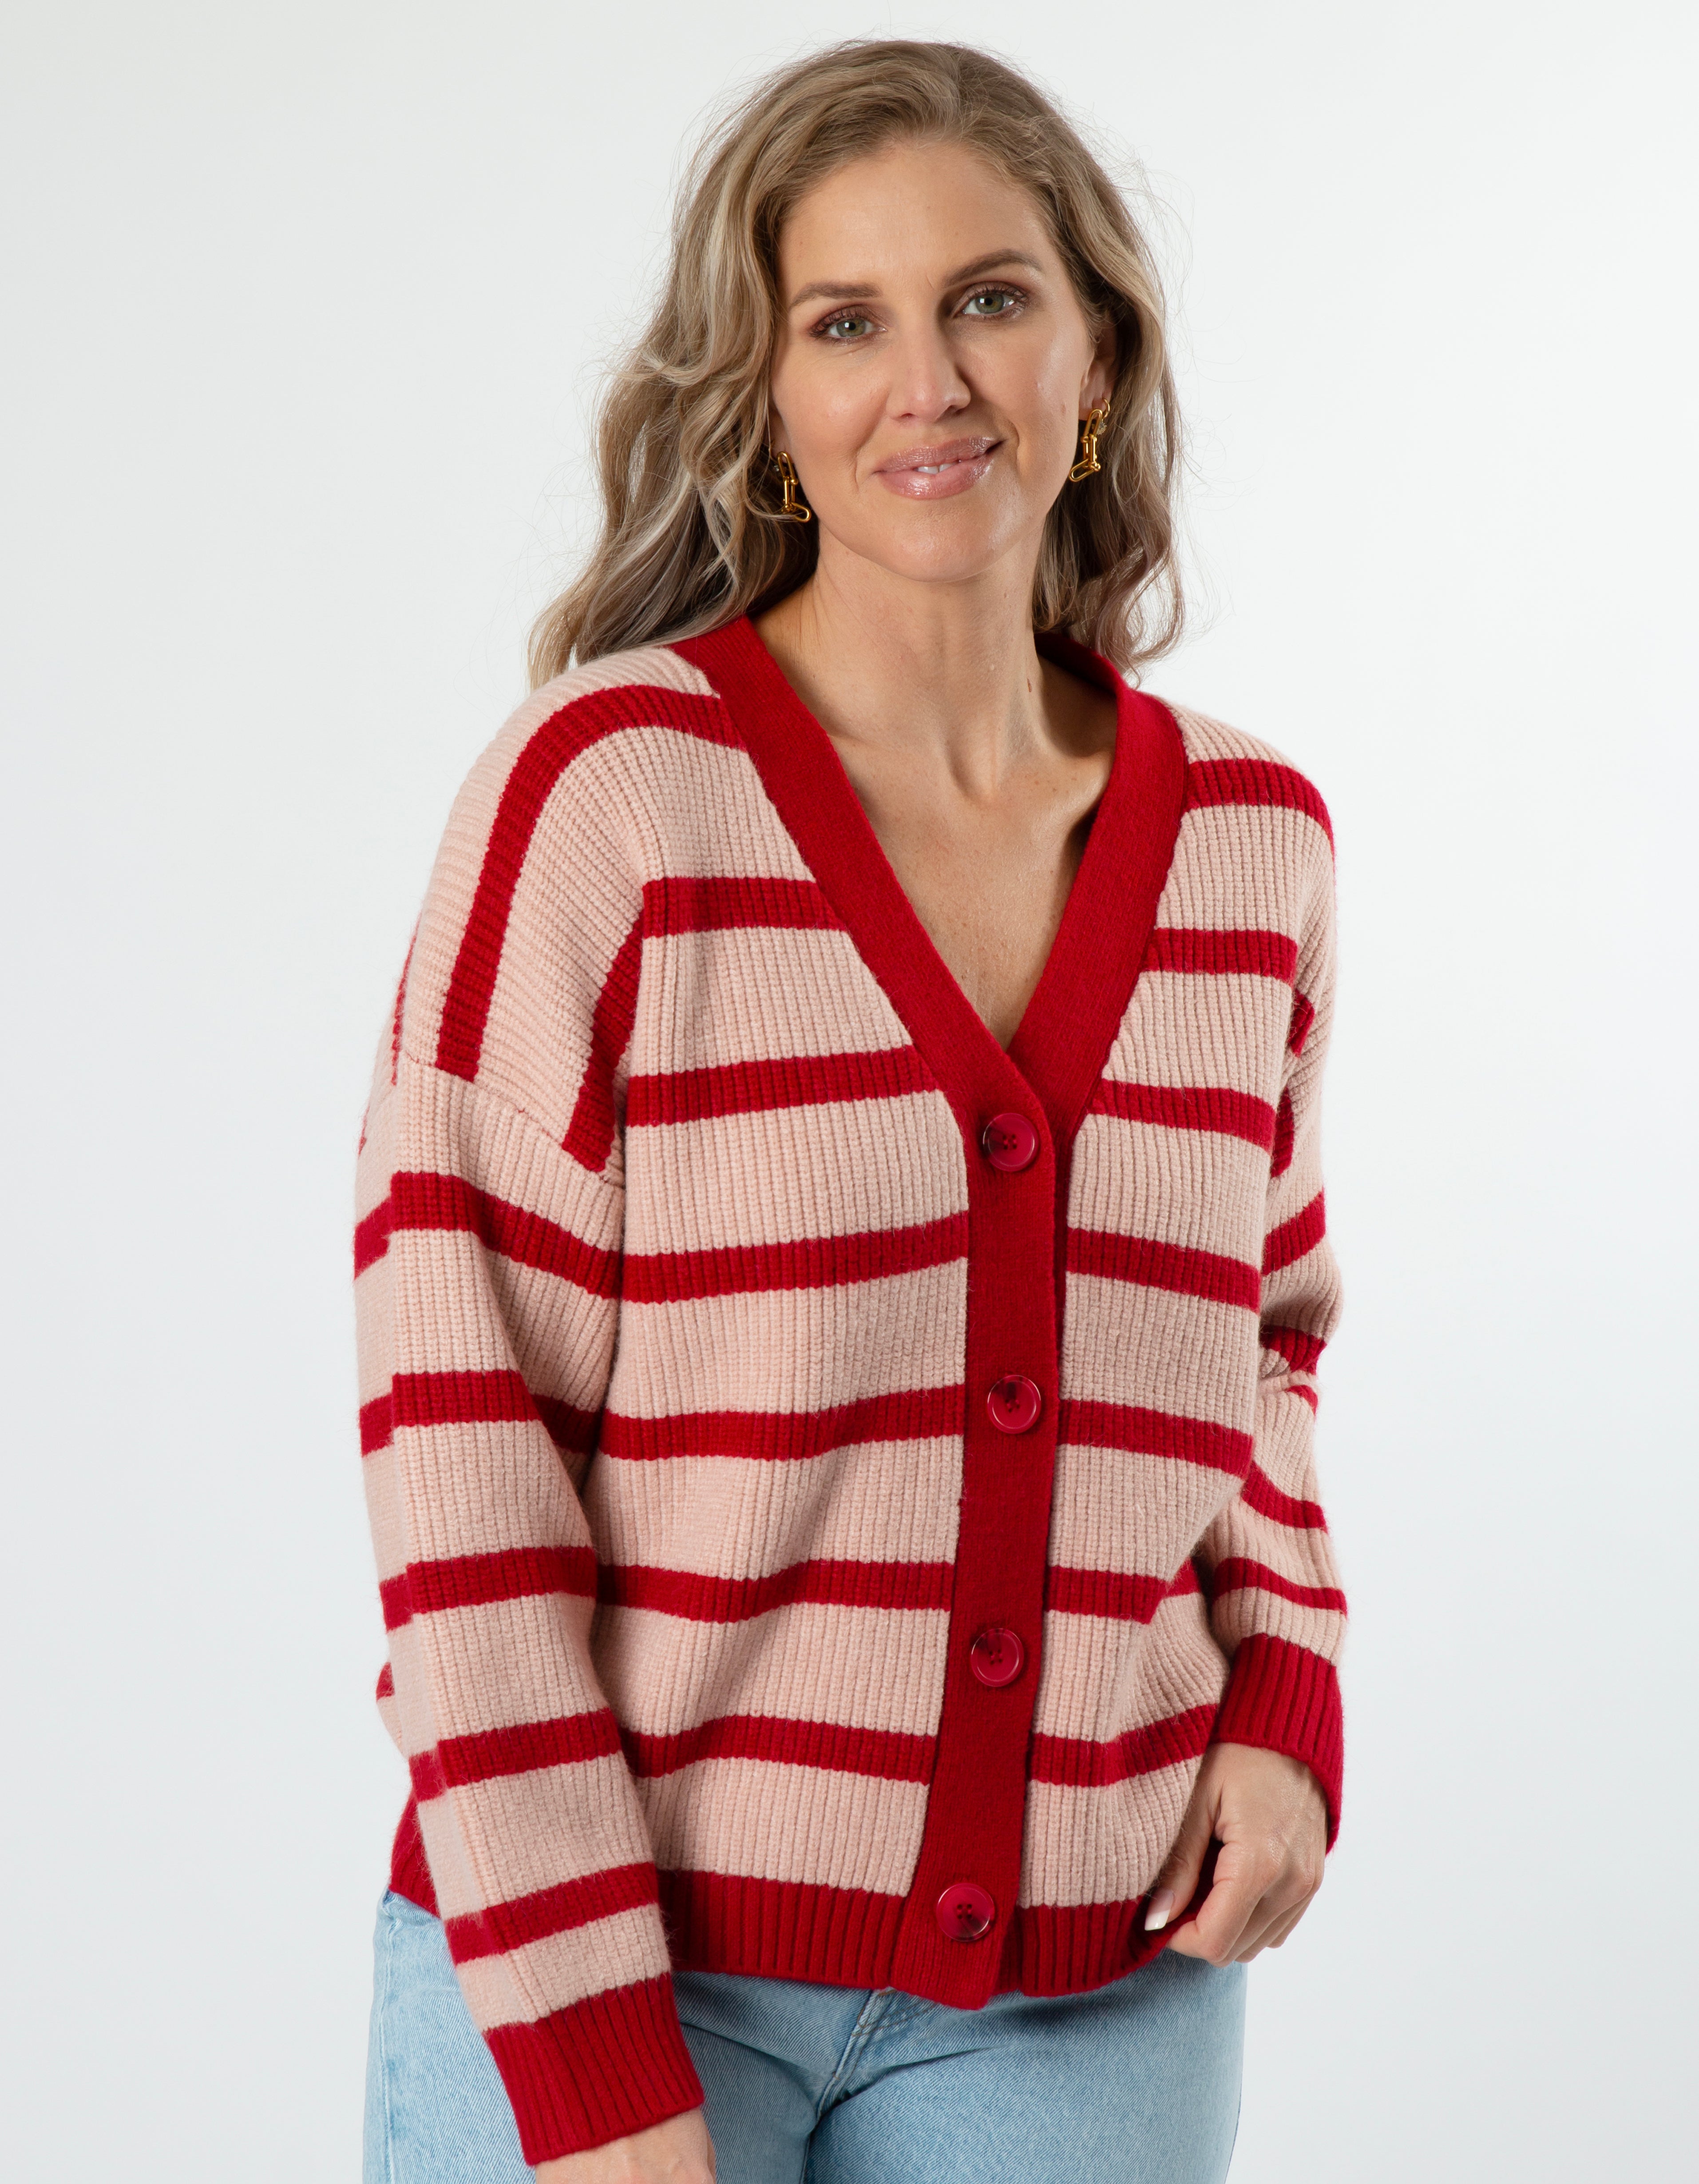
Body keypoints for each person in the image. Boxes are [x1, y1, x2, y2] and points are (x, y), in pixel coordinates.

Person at [355, 38, 1346, 2184]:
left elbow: (1261, 1342)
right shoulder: (610, 800)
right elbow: (461, 1448)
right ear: (771, 401)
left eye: (991, 297)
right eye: (844, 322)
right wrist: (594, 2073)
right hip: (619, 1967)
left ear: (1098, 353)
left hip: (1102, 1995)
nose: (931, 383)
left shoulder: (1252, 843)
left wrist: (1283, 1706)